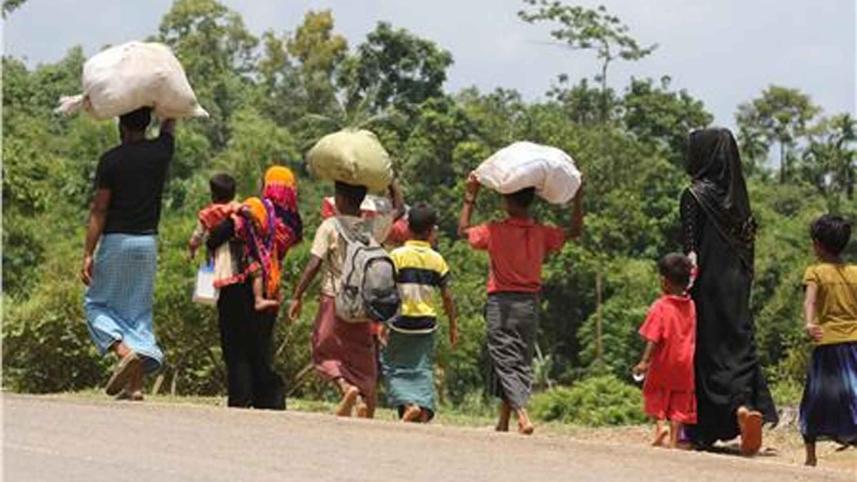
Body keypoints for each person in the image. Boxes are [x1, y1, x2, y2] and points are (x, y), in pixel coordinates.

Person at [458, 174, 584, 435]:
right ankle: (504, 420)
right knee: (518, 357)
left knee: (504, 357)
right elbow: (574, 232)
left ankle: (522, 415)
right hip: (529, 304)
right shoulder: (541, 232)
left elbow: (462, 231)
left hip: (501, 302)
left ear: (507, 201)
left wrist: (470, 196)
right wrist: (577, 199)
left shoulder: (495, 230)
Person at [680, 127, 778, 455]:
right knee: (739, 345)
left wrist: (682, 290)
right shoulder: (739, 201)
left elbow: (691, 252)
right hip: (738, 284)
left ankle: (709, 427)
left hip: (708, 286)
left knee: (709, 351)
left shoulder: (693, 196)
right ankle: (745, 406)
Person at [81, 107, 175, 401]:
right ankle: (135, 387)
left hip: (117, 241)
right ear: (147, 124)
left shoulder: (111, 160)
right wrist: (165, 104)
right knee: (137, 311)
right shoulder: (161, 152)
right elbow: (171, 123)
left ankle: (123, 351)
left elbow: (100, 209)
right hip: (147, 244)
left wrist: (88, 252)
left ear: (121, 125)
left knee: (95, 304)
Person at [289, 180, 405, 418]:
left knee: (324, 351)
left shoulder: (329, 225)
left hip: (334, 298)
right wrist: (391, 183)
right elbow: (400, 210)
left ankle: (346, 387)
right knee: (360, 356)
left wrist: (297, 296)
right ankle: (362, 398)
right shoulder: (370, 228)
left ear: (339, 200)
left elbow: (314, 263)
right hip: (361, 304)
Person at [205, 165, 302, 409]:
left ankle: (240, 398)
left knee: (236, 347)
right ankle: (268, 401)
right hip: (270, 288)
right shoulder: (292, 224)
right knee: (260, 349)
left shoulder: (257, 208)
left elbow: (219, 235)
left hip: (240, 285)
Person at [382, 203, 459, 423]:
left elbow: (387, 292)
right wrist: (453, 325)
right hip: (426, 323)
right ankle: (423, 410)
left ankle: (409, 404)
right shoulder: (437, 260)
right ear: (430, 231)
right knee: (422, 367)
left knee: (393, 366)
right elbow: (447, 296)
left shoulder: (396, 255)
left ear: (407, 228)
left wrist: (382, 322)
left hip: (399, 321)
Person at [799, 214, 857, 466]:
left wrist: (810, 323)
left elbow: (810, 300)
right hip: (855, 344)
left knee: (816, 397)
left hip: (828, 345)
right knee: (853, 395)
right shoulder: (855, 272)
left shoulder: (815, 272)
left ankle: (810, 457)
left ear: (818, 244)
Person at [633, 253, 697, 449]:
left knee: (655, 392)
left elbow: (653, 337)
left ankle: (661, 426)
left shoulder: (660, 306)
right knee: (680, 398)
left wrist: (644, 361)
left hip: (663, 361)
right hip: (685, 364)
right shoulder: (692, 306)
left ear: (664, 282)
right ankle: (675, 440)